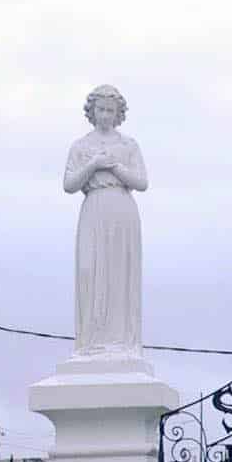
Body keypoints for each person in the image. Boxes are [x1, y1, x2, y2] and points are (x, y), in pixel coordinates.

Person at [63, 85, 148, 357]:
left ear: (118, 113)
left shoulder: (128, 145)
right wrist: (93, 165)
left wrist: (115, 167)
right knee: (90, 271)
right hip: (94, 208)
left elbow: (142, 182)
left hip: (121, 208)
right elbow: (69, 184)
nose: (105, 115)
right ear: (92, 111)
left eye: (110, 110)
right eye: (101, 109)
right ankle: (91, 340)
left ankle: (121, 341)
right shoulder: (81, 146)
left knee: (119, 274)